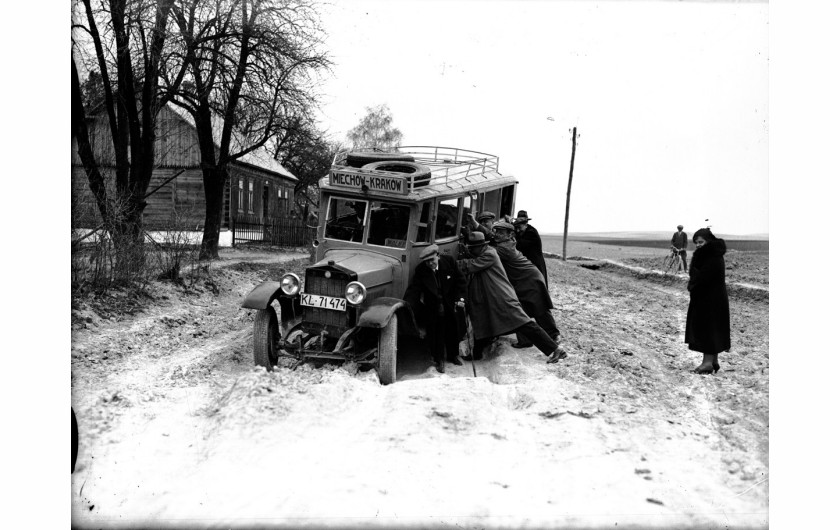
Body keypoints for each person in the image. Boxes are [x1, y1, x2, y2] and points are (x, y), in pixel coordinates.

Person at [458, 231, 567, 364]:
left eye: (472, 248)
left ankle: (556, 350)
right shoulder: (484, 252)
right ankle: (477, 353)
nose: (470, 250)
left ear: (479, 247)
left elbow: (470, 265)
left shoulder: (489, 254)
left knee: (525, 324)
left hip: (502, 298)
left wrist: (453, 262)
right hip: (492, 298)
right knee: (482, 322)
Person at [491, 221, 560, 347]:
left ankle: (553, 335)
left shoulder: (503, 249)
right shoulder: (507, 243)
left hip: (530, 279)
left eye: (501, 233)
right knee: (524, 309)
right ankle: (528, 340)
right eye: (496, 232)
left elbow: (488, 252)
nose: (497, 235)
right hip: (526, 278)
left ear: (509, 234)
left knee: (539, 308)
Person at [404, 244, 467, 373]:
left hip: (451, 303)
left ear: (438, 256)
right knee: (435, 333)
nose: (430, 263)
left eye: (432, 260)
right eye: (427, 261)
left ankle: (453, 355)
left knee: (452, 329)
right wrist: (407, 306)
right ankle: (439, 360)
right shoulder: (421, 270)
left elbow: (461, 282)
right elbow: (414, 290)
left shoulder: (449, 262)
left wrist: (460, 299)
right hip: (433, 306)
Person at [684, 228, 731, 374]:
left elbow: (703, 278)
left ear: (708, 241)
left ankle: (707, 363)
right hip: (713, 298)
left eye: (701, 242)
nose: (698, 245)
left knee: (707, 329)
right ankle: (713, 360)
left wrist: (693, 284)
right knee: (713, 329)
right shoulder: (713, 254)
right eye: (696, 242)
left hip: (709, 299)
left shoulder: (710, 256)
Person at [512, 210, 548, 284]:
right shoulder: (523, 231)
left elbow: (520, 245)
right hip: (528, 265)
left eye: (520, 226)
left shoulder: (531, 233)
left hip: (535, 264)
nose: (518, 230)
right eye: (517, 226)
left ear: (526, 224)